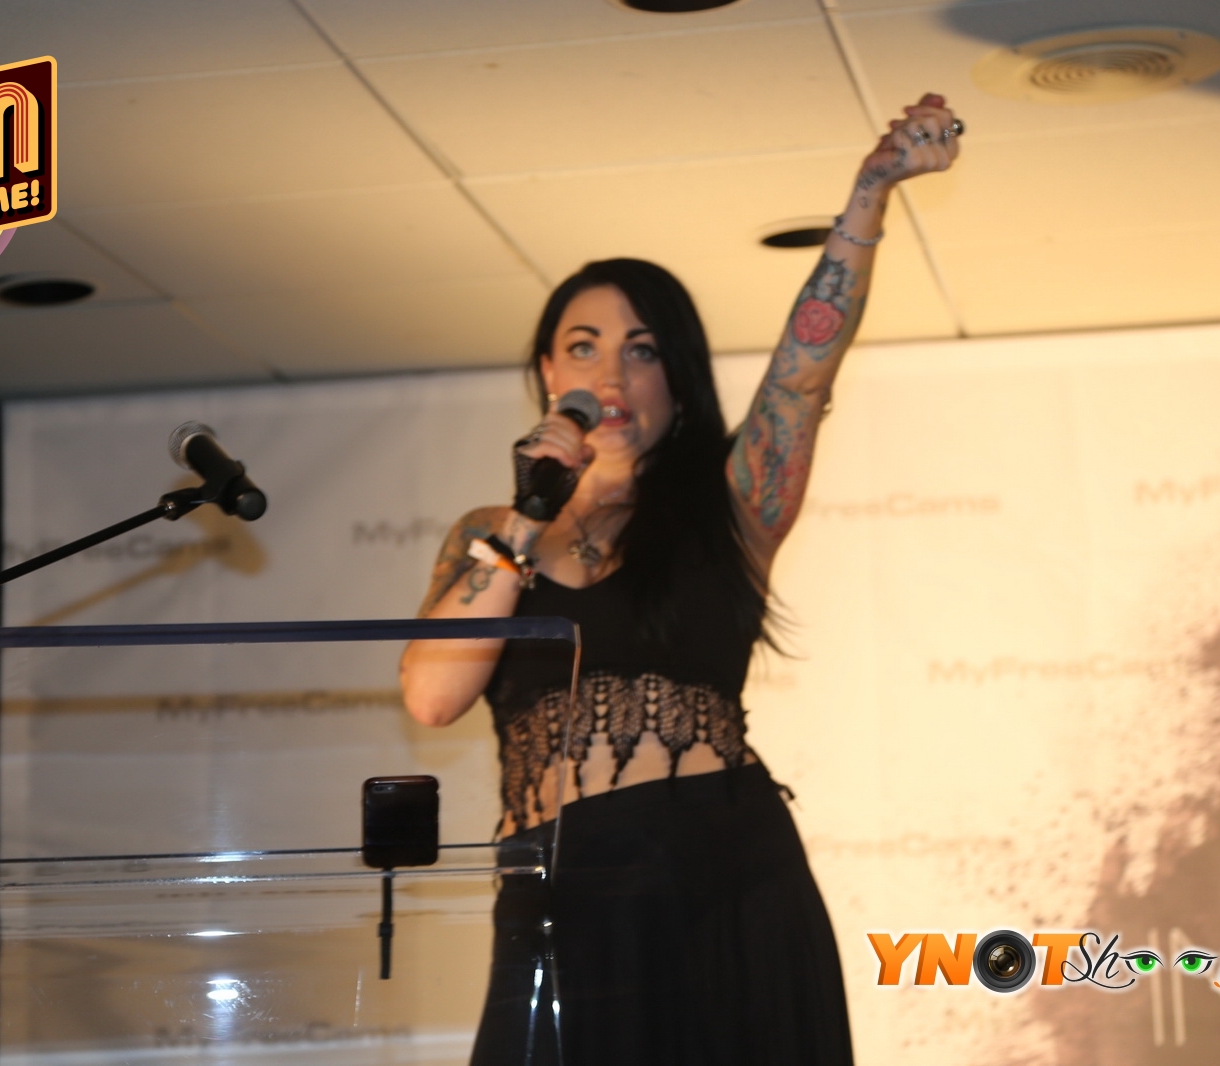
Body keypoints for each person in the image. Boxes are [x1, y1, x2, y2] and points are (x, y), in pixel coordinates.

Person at [400, 94, 963, 1065]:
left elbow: (802, 375)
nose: (612, 374)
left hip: (721, 874)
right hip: (557, 889)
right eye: (584, 347)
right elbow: (432, 696)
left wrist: (869, 194)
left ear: (677, 377)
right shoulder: (492, 533)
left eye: (643, 350)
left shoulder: (730, 505)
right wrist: (529, 515)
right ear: (548, 372)